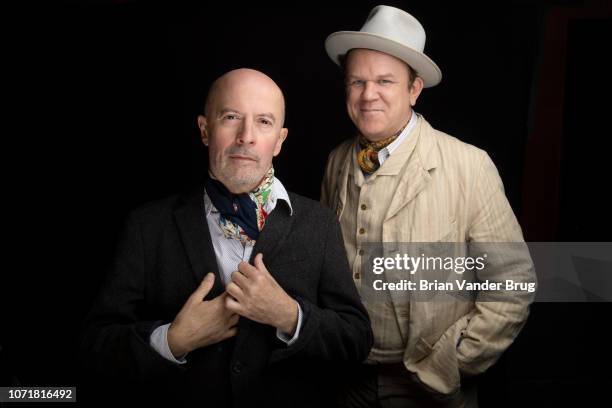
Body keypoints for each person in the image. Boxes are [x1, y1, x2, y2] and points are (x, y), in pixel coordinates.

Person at [80, 68, 372, 407]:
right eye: (231, 117)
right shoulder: (148, 226)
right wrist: (173, 340)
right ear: (205, 130)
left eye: (264, 122)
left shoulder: (318, 223)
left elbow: (356, 339)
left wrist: (290, 315)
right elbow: (94, 347)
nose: (246, 136)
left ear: (279, 140)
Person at [321, 5, 536, 407]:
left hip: (427, 389)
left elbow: (513, 282)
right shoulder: (335, 162)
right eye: (357, 81)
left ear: (414, 89)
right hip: (344, 381)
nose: (369, 95)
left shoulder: (469, 166)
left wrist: (452, 362)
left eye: (385, 81)